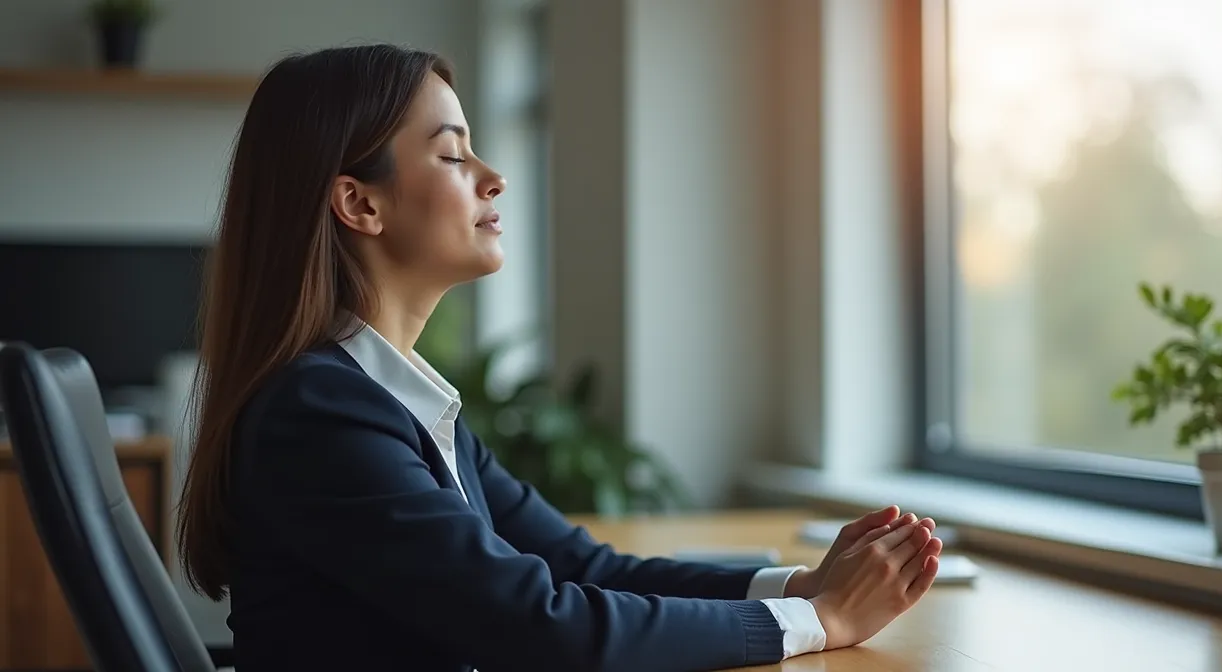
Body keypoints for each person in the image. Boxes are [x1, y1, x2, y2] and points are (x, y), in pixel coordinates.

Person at [175, 43, 942, 672]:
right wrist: (816, 619)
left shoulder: (392, 405)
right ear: (360, 204)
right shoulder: (322, 415)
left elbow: (586, 569)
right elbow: (538, 624)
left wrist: (799, 586)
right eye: (452, 156)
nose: (492, 176)